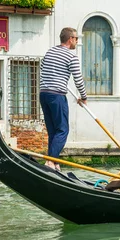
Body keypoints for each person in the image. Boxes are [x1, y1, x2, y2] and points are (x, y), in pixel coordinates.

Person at [39, 27, 87, 171]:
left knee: (53, 131)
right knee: (63, 130)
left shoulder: (50, 52)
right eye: (76, 38)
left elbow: (43, 68)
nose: (77, 41)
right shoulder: (71, 56)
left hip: (43, 94)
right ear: (70, 39)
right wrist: (83, 97)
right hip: (57, 95)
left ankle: (55, 162)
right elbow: (78, 80)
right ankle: (50, 162)